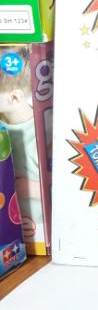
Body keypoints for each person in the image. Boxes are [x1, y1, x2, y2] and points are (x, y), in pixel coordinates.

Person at [0, 47, 40, 251]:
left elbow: (63, 186)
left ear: (15, 97)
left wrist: (28, 187)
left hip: (36, 226)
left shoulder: (40, 133)